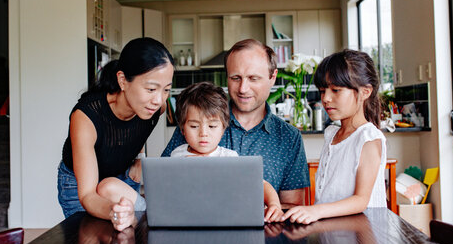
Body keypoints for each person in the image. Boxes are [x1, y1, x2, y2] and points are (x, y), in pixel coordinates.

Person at [162, 39, 310, 207]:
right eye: (235, 78)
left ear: (272, 77)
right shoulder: (196, 122)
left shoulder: (289, 138)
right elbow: (163, 185)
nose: (243, 88)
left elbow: (293, 206)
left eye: (253, 78)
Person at [57, 37, 174, 231]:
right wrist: (114, 211)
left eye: (166, 90)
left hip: (122, 178)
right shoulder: (86, 117)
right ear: (122, 81)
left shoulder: (156, 108)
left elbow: (136, 132)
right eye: (151, 89)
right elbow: (87, 195)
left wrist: (139, 158)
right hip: (80, 187)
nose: (159, 99)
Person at [282, 49, 387, 224]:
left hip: (364, 233)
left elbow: (361, 200)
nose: (326, 99)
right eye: (323, 91)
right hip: (335, 227)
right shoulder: (332, 133)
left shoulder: (368, 138)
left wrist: (316, 210)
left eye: (336, 90)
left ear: (365, 92)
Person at [170, 81, 283, 222]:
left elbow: (261, 184)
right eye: (194, 126)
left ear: (223, 128)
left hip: (225, 221)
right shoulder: (176, 155)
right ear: (182, 129)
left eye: (212, 126)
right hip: (187, 220)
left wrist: (274, 204)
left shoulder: (229, 158)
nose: (203, 133)